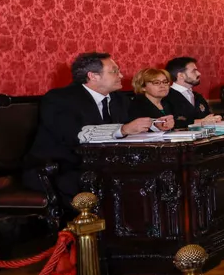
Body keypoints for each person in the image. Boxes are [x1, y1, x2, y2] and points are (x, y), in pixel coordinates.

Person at [25, 52, 159, 198]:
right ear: (93, 76)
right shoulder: (60, 99)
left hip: (103, 166)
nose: (120, 76)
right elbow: (73, 134)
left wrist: (155, 125)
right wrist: (122, 129)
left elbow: (132, 124)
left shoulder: (118, 99)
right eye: (114, 71)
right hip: (61, 168)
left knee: (150, 178)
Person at [163, 56, 218, 125]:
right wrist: (200, 121)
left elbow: (208, 116)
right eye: (194, 71)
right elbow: (170, 122)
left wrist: (215, 118)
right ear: (181, 76)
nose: (199, 73)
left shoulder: (198, 96)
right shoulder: (166, 96)